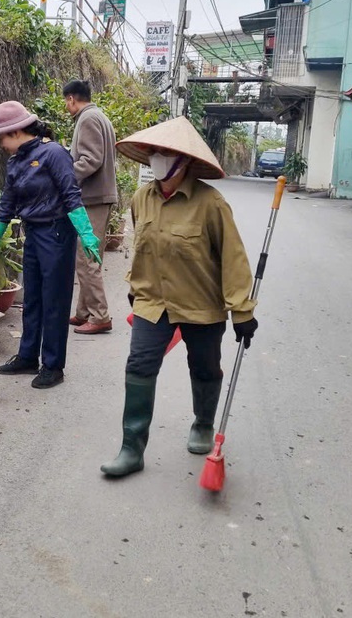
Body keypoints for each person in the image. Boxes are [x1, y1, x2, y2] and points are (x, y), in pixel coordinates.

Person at [100, 116, 258, 478]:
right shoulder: (142, 198)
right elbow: (142, 248)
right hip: (152, 303)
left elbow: (233, 258)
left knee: (204, 367)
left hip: (201, 304)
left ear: (184, 160)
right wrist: (135, 288)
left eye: (166, 152)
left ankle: (203, 423)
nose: (157, 158)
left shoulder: (211, 204)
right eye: (154, 151)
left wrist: (242, 311)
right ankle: (131, 448)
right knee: (139, 366)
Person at [0, 101, 102, 389]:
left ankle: (53, 365)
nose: (1, 144)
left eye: (2, 137)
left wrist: (86, 233)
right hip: (33, 233)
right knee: (32, 298)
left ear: (16, 131)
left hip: (56, 233)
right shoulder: (15, 162)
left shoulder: (54, 154)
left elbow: (71, 195)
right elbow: (7, 204)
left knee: (54, 301)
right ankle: (27, 356)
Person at [63, 79, 117, 335]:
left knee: (87, 259)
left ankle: (100, 316)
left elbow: (91, 159)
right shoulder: (99, 116)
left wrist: (64, 176)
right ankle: (84, 312)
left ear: (71, 98)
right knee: (90, 256)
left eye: (66, 101)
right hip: (99, 197)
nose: (66, 106)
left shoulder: (87, 118)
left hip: (93, 198)